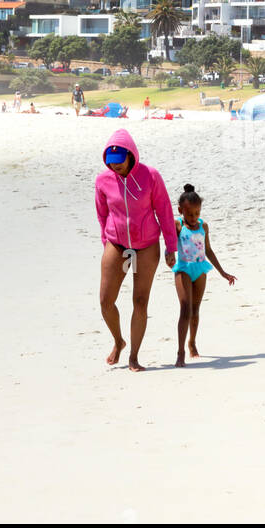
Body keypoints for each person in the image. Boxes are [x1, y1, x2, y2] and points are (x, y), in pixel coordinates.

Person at [95, 128, 177, 371]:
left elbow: (164, 211)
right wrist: (106, 242)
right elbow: (102, 214)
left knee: (140, 301)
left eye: (119, 162)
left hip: (145, 246)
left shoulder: (150, 176)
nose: (115, 167)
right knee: (105, 300)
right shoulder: (103, 180)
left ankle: (133, 356)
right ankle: (118, 341)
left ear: (131, 155)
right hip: (118, 245)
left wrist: (171, 246)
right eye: (111, 163)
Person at [173, 183, 236, 367]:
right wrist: (168, 253)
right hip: (183, 268)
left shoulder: (203, 226)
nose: (193, 217)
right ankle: (180, 351)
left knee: (195, 310)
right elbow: (168, 240)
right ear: (181, 211)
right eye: (190, 214)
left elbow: (208, 250)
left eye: (197, 213)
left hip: (200, 270)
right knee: (185, 309)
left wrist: (223, 272)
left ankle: (192, 341)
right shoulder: (177, 224)